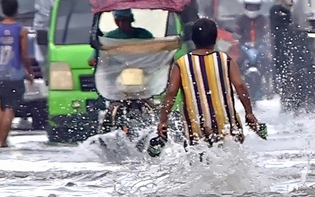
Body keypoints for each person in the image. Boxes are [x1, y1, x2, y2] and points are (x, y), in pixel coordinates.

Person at [156, 18, 259, 146]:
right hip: (226, 123)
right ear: (215, 39)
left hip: (195, 126)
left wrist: (163, 120)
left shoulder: (181, 63)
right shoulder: (225, 60)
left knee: (198, 153)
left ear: (193, 39)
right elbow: (240, 86)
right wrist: (249, 113)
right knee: (229, 152)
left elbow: (171, 92)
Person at [0, 0, 35, 147]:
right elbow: (24, 55)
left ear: (2, 10)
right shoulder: (21, 30)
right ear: (17, 10)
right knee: (10, 107)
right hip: (15, 74)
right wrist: (29, 72)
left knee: (1, 104)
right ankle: (3, 141)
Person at [89, 10, 154, 67]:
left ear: (130, 19)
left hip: (142, 70)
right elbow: (93, 59)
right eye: (118, 20)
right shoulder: (109, 38)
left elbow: (154, 51)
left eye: (124, 20)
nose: (121, 23)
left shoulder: (144, 34)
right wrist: (98, 60)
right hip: (116, 73)